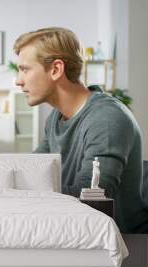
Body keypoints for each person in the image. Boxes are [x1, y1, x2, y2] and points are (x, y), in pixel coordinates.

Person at [13, 27, 148, 233]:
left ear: (56, 69)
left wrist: (19, 190)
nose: (18, 80)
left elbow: (90, 198)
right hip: (79, 234)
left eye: (25, 69)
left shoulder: (107, 119)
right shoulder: (56, 118)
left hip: (122, 246)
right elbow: (35, 169)